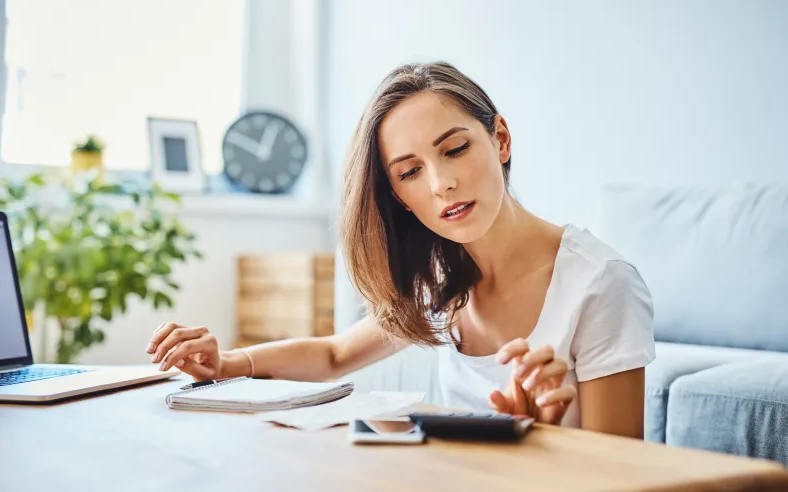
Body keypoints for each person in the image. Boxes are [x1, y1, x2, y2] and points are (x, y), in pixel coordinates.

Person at [145, 61, 655, 438]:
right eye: (410, 172)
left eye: (455, 149)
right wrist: (225, 363)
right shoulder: (442, 275)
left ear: (500, 139)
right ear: (399, 198)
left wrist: (543, 434)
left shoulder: (599, 281)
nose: (442, 184)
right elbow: (334, 353)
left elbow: (628, 472)